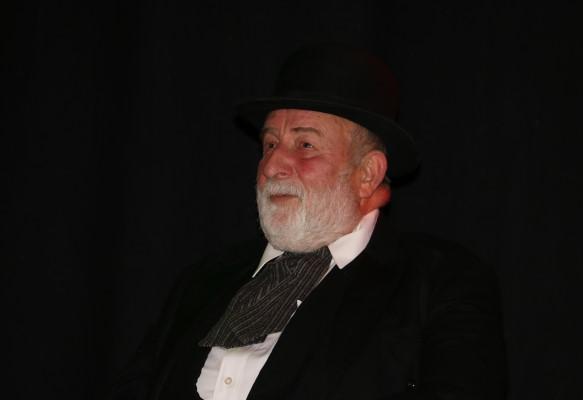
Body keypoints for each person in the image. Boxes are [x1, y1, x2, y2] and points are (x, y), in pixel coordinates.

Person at [109, 44, 507, 400]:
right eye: (269, 144)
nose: (272, 165)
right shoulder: (204, 281)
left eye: (305, 145)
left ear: (368, 173)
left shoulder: (438, 282)